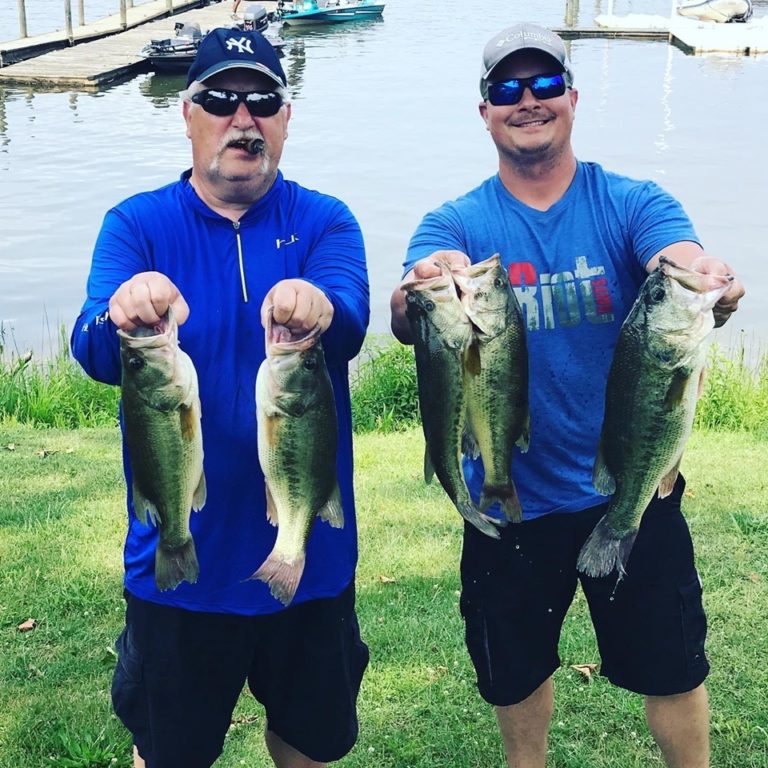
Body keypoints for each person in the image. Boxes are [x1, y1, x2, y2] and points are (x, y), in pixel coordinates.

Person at [390, 22, 743, 768]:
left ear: (572, 99)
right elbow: (407, 307)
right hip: (510, 496)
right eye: (507, 89)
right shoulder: (457, 221)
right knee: (516, 676)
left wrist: (703, 275)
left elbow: (674, 254)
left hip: (634, 489)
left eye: (545, 84)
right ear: (484, 110)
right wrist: (424, 287)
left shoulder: (629, 200)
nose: (528, 100)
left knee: (674, 667)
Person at [72, 28, 370, 768]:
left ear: (286, 116)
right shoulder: (136, 225)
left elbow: (354, 316)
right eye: (222, 99)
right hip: (176, 572)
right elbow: (90, 347)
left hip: (311, 564)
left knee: (310, 744)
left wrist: (322, 307)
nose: (244, 117)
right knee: (168, 751)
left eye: (263, 100)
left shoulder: (325, 219)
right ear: (188, 111)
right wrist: (119, 312)